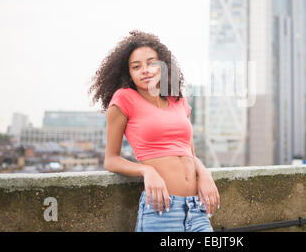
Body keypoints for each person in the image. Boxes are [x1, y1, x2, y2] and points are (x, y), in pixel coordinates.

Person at [88, 30, 220, 232]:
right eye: (136, 67)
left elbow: (189, 154)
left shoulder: (179, 101)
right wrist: (146, 170)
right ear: (128, 73)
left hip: (197, 208)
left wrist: (204, 174)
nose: (145, 70)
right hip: (162, 211)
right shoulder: (124, 99)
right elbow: (111, 160)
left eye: (151, 63)